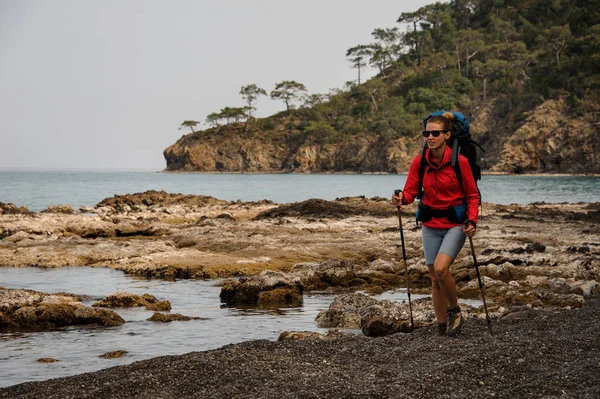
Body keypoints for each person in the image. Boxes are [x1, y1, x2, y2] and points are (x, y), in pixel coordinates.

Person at [392, 112, 479, 337]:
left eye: (435, 133)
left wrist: (472, 221)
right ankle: (442, 326)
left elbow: (472, 195)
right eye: (427, 133)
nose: (430, 137)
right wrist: (402, 197)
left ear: (447, 135)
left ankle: (455, 312)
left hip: (455, 225)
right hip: (430, 224)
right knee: (434, 277)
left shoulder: (459, 162)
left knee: (441, 269)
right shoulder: (420, 161)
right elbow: (411, 191)